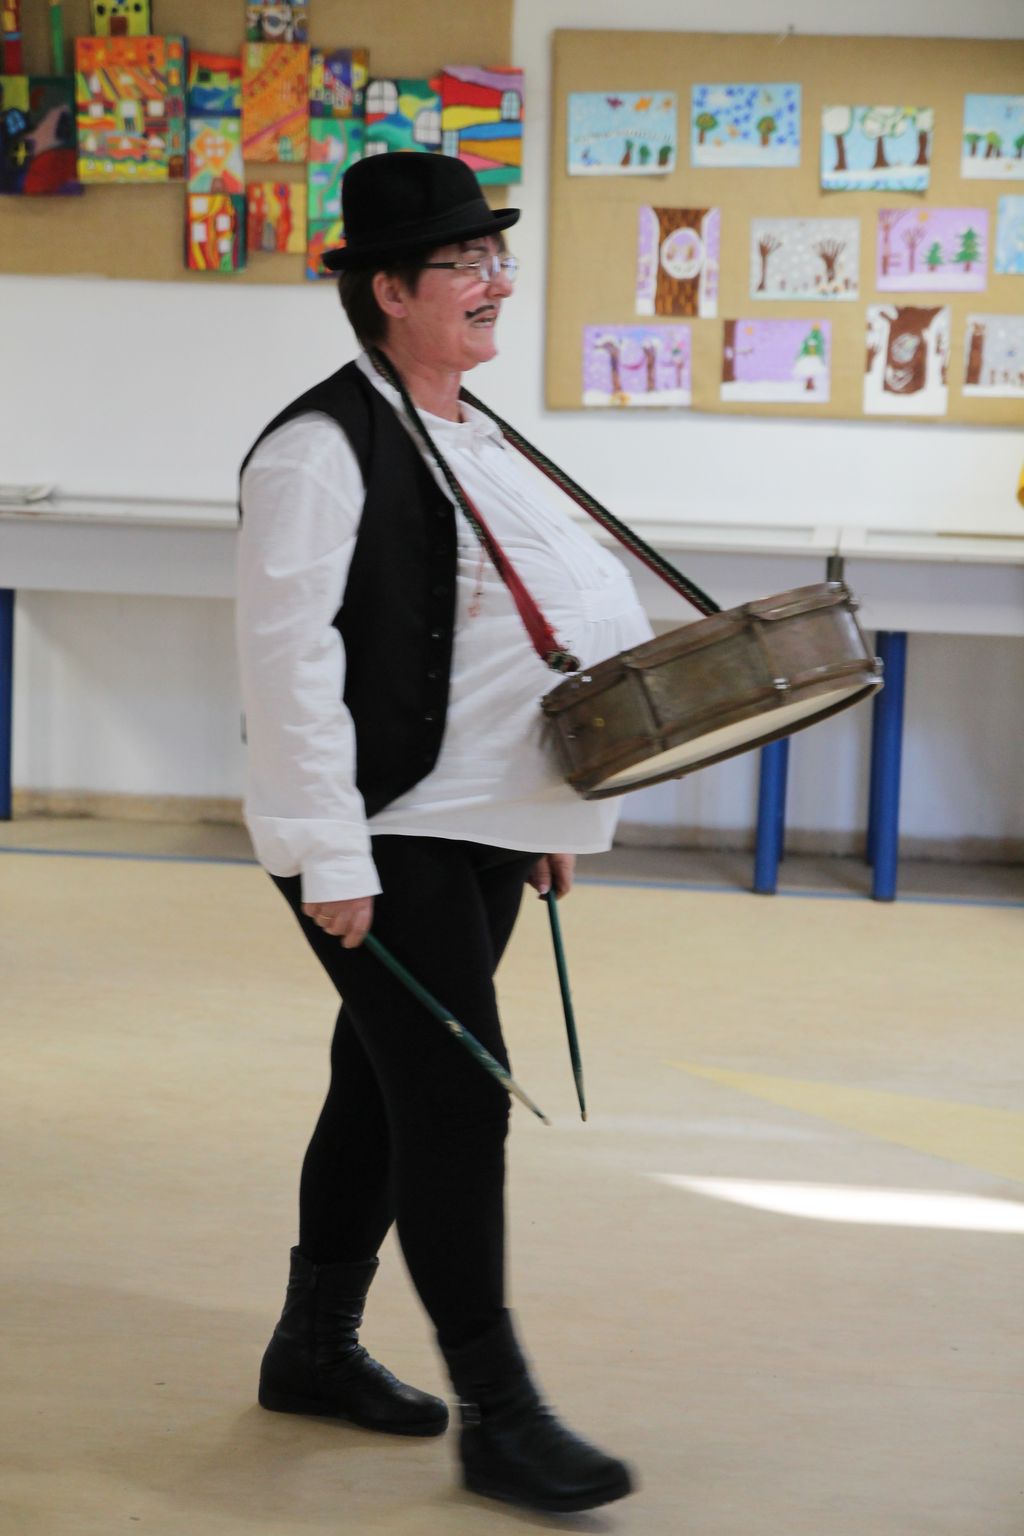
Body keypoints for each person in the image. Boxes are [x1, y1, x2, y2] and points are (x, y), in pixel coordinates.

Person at [236, 152, 653, 1515]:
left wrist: (553, 804)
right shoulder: (318, 449)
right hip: (386, 826)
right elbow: (286, 668)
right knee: (460, 1099)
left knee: (385, 1084)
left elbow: (529, 634)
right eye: (465, 263)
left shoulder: (478, 430)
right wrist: (327, 853)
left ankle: (311, 1349)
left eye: (495, 258)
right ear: (388, 289)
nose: (495, 283)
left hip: (483, 825)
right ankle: (500, 1415)